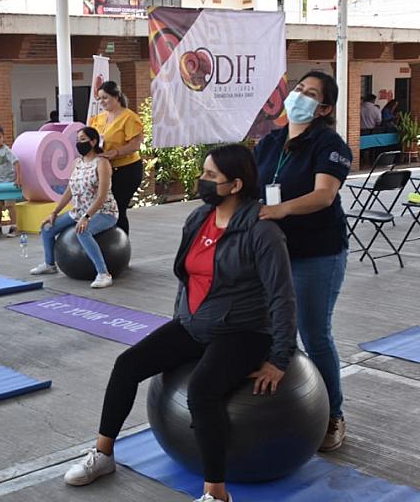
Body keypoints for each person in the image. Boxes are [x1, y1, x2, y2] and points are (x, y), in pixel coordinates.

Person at [63, 144, 297, 502]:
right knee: (126, 366)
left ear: (235, 185)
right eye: (203, 172)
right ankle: (103, 454)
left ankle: (215, 493)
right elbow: (188, 278)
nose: (201, 180)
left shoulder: (262, 233)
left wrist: (280, 358)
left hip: (244, 331)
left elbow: (282, 297)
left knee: (202, 390)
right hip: (194, 323)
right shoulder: (199, 218)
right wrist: (180, 320)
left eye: (210, 176)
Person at [255, 70, 352, 452]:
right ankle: (293, 407)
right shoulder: (270, 141)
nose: (299, 96)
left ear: (324, 107)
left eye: (310, 93)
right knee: (277, 334)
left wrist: (281, 211)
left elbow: (324, 195)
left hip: (318, 254)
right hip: (274, 254)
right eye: (298, 89)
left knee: (314, 334)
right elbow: (250, 187)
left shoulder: (330, 144)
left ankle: (333, 415)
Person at [29, 127, 119, 288]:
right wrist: (54, 212)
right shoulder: (76, 163)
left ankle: (104, 274)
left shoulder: (102, 163)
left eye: (83, 139)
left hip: (104, 212)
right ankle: (50, 265)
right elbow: (70, 190)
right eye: (77, 139)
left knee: (83, 231)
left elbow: (102, 196)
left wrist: (86, 217)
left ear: (93, 142)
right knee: (47, 228)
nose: (79, 143)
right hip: (78, 212)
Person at [87, 81, 144, 234]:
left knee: (118, 207)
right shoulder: (99, 118)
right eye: (99, 99)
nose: (102, 102)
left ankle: (121, 243)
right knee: (105, 207)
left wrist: (116, 152)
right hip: (106, 168)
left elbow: (135, 145)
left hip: (126, 169)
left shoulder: (129, 117)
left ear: (117, 96)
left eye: (105, 98)